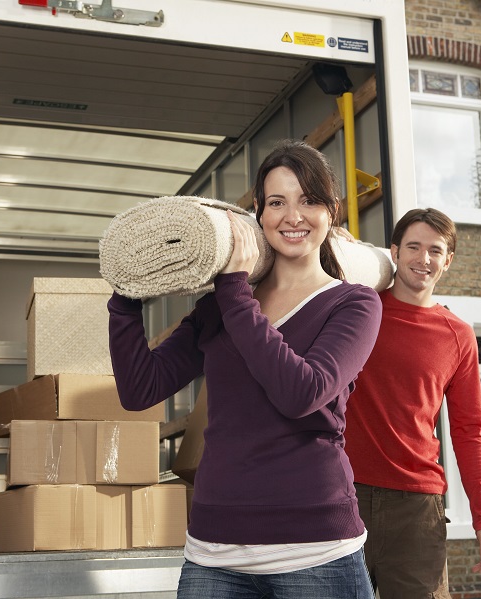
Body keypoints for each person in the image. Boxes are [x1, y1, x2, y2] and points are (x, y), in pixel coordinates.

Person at [107, 139, 382, 599]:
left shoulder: (353, 303)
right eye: (277, 202)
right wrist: (127, 295)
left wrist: (235, 293)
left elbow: (301, 392)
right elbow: (140, 388)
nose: (293, 216)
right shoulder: (223, 306)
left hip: (315, 550)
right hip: (214, 552)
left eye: (308, 201)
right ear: (258, 213)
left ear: (331, 211)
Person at [343, 207, 481, 599]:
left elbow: (469, 431)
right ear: (394, 252)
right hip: (343, 495)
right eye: (413, 247)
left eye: (435, 250)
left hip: (417, 509)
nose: (423, 259)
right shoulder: (358, 310)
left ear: (448, 261)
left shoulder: (458, 335)